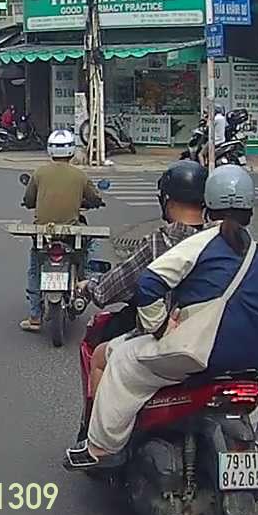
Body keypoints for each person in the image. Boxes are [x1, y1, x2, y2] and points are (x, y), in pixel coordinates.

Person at [66, 166, 258, 469]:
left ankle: (100, 448)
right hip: (252, 362)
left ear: (209, 203)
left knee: (121, 360)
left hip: (198, 354)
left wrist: (160, 326)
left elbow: (147, 284)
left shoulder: (200, 242)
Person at [78, 160, 208, 374]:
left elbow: (109, 288)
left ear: (167, 200)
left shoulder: (158, 243)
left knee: (99, 358)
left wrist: (89, 286)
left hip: (165, 343)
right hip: (208, 341)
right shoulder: (219, 241)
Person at [21, 130, 102, 332]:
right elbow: (94, 197)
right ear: (71, 151)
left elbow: (29, 199)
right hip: (70, 234)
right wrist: (96, 202)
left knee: (35, 267)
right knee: (88, 248)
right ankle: (84, 282)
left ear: (50, 150)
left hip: (43, 234)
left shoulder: (39, 173)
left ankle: (35, 316)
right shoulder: (80, 175)